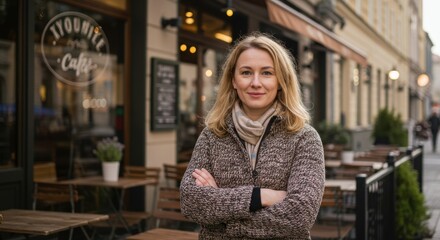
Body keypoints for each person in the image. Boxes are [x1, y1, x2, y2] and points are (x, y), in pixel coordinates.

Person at [180, 32, 325, 239]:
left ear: (281, 81)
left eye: (267, 73)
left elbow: (300, 215)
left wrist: (224, 218)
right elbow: (191, 202)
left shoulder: (304, 138)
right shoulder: (212, 135)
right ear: (233, 80)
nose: (255, 83)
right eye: (246, 73)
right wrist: (261, 196)